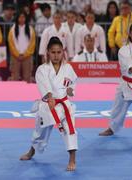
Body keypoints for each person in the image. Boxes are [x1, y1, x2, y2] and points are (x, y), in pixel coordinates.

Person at [20, 36, 78, 171]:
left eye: (59, 52)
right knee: (40, 132)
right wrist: (50, 97)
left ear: (63, 52)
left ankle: (72, 159)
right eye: (53, 52)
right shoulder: (42, 69)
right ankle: (32, 151)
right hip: (48, 106)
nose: (56, 55)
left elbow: (73, 82)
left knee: (70, 129)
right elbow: (43, 85)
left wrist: (71, 90)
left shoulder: (68, 68)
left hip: (64, 105)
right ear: (48, 52)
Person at [8, 11, 36, 82]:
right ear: (17, 18)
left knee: (27, 77)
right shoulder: (12, 30)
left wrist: (25, 54)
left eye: (23, 17)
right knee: (15, 77)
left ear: (26, 18)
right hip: (15, 57)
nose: (21, 19)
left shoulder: (30, 29)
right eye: (20, 17)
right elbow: (11, 44)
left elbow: (32, 44)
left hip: (27, 57)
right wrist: (17, 54)